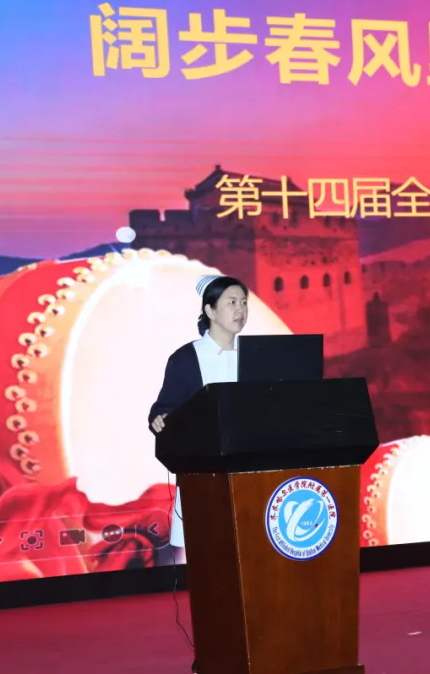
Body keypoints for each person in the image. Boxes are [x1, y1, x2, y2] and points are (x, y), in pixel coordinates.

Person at [148, 274, 249, 674]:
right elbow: (164, 408)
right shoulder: (187, 358)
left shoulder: (255, 356)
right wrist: (160, 419)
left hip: (252, 484)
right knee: (213, 579)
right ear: (209, 310)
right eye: (231, 302)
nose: (240, 310)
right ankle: (215, 653)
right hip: (206, 486)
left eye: (243, 302)